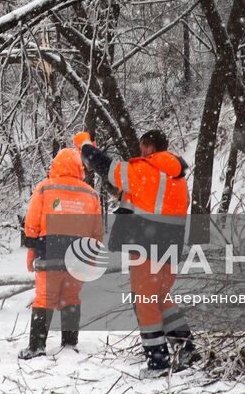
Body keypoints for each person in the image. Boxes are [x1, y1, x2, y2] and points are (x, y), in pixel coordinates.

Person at [73, 128, 197, 376]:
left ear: (150, 147)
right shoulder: (176, 177)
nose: (140, 152)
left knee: (145, 301)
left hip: (147, 241)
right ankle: (186, 348)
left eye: (142, 147)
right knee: (160, 296)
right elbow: (142, 198)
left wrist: (85, 145)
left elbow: (104, 165)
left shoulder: (145, 170)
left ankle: (158, 361)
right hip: (171, 243)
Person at [18, 146, 103, 360]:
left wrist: (30, 251)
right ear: (79, 167)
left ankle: (37, 346)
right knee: (71, 298)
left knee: (45, 298)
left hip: (50, 251)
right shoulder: (90, 193)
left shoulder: (45, 188)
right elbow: (97, 230)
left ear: (56, 165)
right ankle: (69, 343)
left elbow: (32, 222)